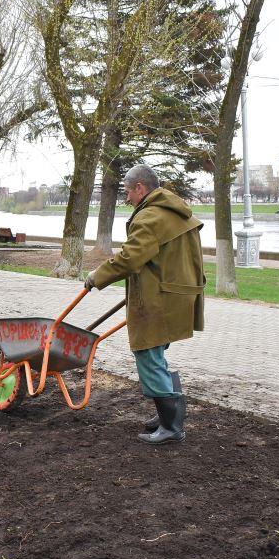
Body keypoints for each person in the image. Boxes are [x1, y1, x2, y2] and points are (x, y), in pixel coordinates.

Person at [84, 165, 205, 445]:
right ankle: (168, 416)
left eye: (127, 191)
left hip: (158, 299)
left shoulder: (151, 217)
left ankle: (171, 426)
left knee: (147, 354)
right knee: (156, 352)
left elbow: (129, 259)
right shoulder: (171, 211)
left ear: (140, 187)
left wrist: (96, 276)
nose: (126, 198)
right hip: (174, 293)